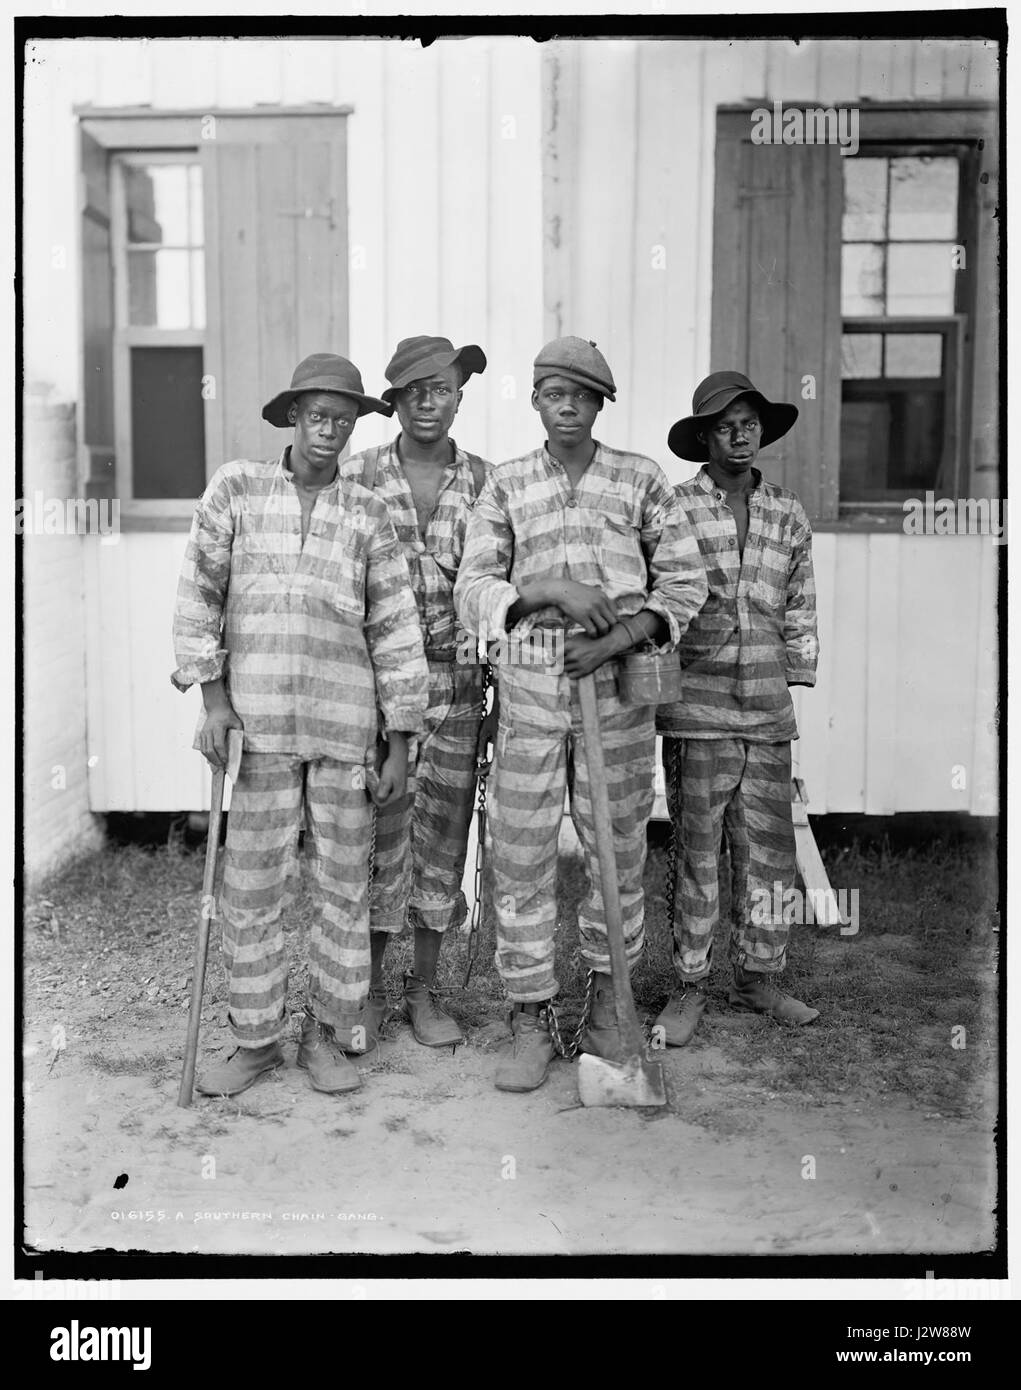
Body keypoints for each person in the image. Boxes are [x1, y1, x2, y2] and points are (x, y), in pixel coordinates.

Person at [454, 336, 708, 1092]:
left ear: (600, 405)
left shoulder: (640, 480)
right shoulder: (505, 485)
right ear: (534, 401)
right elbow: (472, 587)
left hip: (617, 698)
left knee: (615, 851)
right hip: (530, 696)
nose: (567, 406)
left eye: (582, 395)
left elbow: (684, 583)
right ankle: (530, 1015)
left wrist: (621, 638)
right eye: (553, 393)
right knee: (522, 856)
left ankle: (606, 1004)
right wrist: (547, 593)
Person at [172, 353, 428, 1097]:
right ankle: (255, 1041)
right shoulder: (237, 489)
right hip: (256, 727)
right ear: (292, 417)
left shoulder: (369, 513)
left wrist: (399, 742)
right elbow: (199, 595)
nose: (330, 431)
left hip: (346, 730)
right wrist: (214, 702)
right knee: (251, 888)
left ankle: (325, 1033)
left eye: (344, 421)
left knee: (344, 885)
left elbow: (396, 630)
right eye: (318, 416)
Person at [655, 370, 821, 1047]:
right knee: (696, 850)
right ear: (704, 437)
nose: (740, 432)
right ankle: (689, 984)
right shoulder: (675, 509)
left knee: (768, 851)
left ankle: (759, 976)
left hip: (766, 710)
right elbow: (659, 598)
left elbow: (799, 599)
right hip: (697, 707)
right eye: (725, 424)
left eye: (749, 421)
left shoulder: (786, 512)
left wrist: (796, 671)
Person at [341, 335, 492, 1047]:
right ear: (393, 401)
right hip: (379, 689)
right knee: (379, 836)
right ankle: (364, 991)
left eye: (443, 389)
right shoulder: (359, 475)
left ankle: (423, 993)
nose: (430, 403)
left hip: (460, 685)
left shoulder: (490, 483)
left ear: (460, 395)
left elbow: (499, 589)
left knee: (442, 840)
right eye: (414, 391)